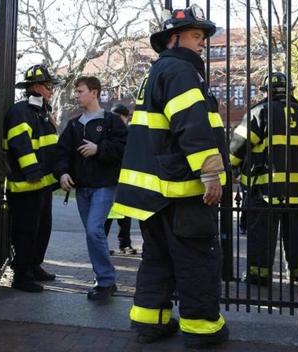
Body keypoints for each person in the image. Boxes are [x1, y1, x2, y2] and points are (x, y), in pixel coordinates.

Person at [110, 4, 230, 348]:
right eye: (196, 36)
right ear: (174, 39)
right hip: (182, 190)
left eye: (203, 37)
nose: (202, 43)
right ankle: (203, 328)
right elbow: (192, 126)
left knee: (158, 258)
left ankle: (151, 323)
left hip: (154, 195)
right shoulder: (181, 71)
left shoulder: (156, 73)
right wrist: (211, 175)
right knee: (196, 259)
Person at [230, 72, 298, 286]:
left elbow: (237, 147)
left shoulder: (260, 112)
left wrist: (231, 168)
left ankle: (259, 275)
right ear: (290, 91)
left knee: (262, 234)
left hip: (266, 189)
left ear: (267, 91)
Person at [53, 76, 127, 301]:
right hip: (81, 188)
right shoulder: (74, 124)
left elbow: (123, 148)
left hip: (104, 186)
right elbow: (62, 153)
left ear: (94, 92)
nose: (76, 95)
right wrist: (63, 173)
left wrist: (99, 148)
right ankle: (104, 279)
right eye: (75, 91)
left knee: (95, 230)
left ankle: (105, 281)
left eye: (80, 91)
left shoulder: (112, 121)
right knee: (93, 233)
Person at [4, 64, 60, 293]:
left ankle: (34, 266)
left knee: (42, 228)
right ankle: (21, 275)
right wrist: (34, 173)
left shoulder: (42, 113)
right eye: (48, 86)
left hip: (42, 185)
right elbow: (20, 145)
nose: (51, 91)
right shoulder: (21, 111)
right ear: (35, 87)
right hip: (27, 185)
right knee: (26, 231)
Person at [104, 104, 136, 255]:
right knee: (107, 215)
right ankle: (105, 244)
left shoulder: (129, 133)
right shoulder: (107, 132)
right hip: (111, 179)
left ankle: (125, 244)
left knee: (124, 215)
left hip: (123, 179)